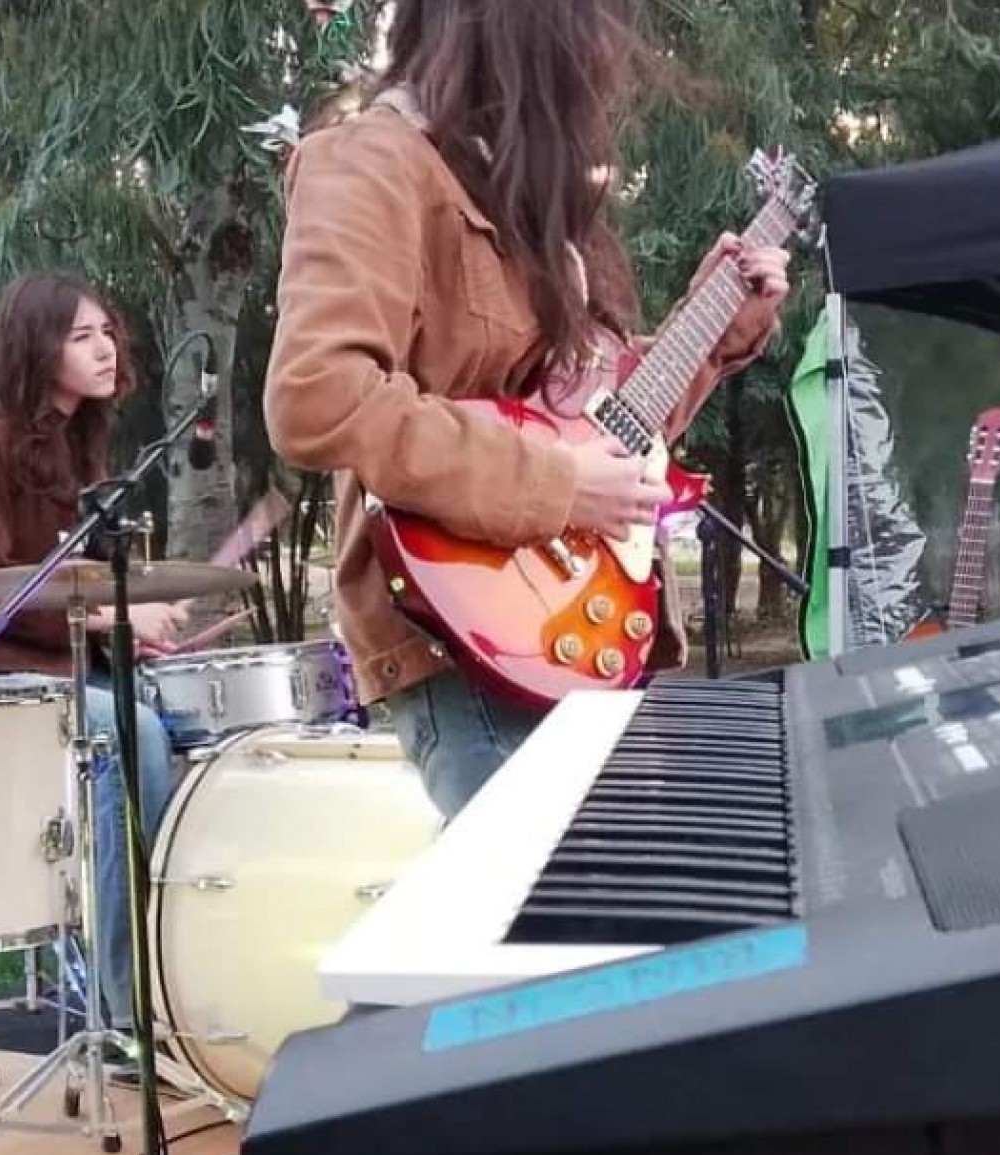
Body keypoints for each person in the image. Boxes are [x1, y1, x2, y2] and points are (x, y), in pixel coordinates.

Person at [264, 0, 791, 820]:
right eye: (578, 45)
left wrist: (712, 333)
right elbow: (317, 397)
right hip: (465, 636)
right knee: (550, 936)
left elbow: (607, 440)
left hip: (576, 628)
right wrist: (555, 485)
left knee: (600, 936)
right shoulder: (368, 163)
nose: (592, 78)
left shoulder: (513, 192)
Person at [0, 272, 181, 1037]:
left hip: (65, 670)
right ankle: (127, 1005)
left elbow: (93, 580)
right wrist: (103, 618)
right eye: (82, 336)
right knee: (129, 732)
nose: (105, 349)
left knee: (168, 717)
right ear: (40, 348)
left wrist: (136, 620)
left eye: (108, 333)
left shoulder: (81, 448)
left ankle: (174, 967)